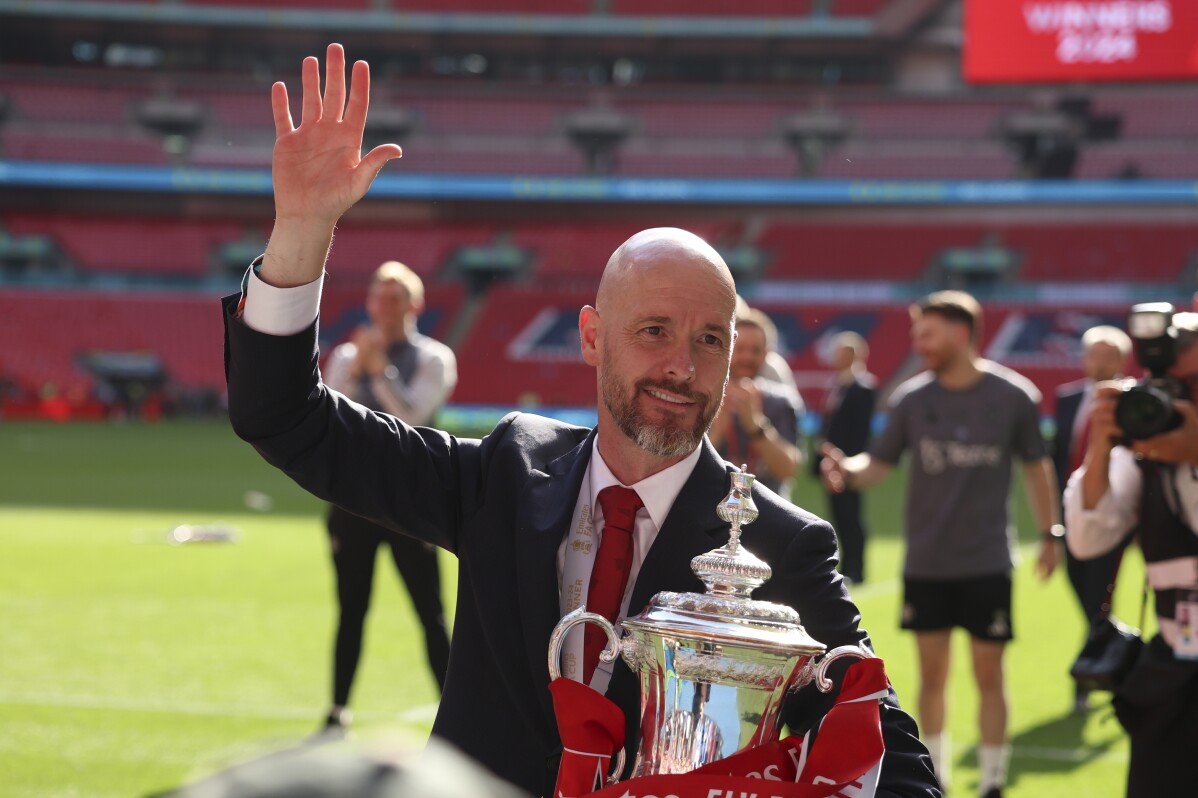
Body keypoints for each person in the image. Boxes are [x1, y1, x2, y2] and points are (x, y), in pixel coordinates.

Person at [223, 44, 939, 797]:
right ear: (593, 337)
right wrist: (301, 231)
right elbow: (284, 417)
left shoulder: (778, 545)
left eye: (709, 341)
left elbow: (899, 767)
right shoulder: (505, 472)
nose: (682, 368)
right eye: (654, 331)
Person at [821, 290, 1061, 798]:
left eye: (926, 334)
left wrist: (1050, 533)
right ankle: (939, 777)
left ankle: (993, 780)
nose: (918, 345)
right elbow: (877, 465)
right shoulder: (912, 398)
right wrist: (847, 469)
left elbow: (1037, 468)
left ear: (959, 333)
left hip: (987, 560)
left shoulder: (1013, 395)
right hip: (926, 562)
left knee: (989, 673)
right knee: (931, 676)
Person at [319, 260, 456, 734]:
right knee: (351, 609)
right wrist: (358, 371)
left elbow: (414, 418)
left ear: (415, 305)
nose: (385, 307)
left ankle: (458, 714)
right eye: (379, 298)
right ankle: (337, 711)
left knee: (431, 613)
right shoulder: (343, 357)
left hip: (409, 504)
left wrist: (379, 374)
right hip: (352, 502)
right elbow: (328, 420)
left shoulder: (435, 357)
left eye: (396, 299)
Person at [1064, 312, 1198, 798]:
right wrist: (1102, 447)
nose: (1177, 399)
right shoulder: (1146, 454)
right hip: (1172, 671)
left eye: (1192, 385)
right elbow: (1087, 537)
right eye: (1167, 385)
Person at [1052, 324, 1133, 712]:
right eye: (1093, 354)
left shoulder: (1134, 402)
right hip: (1070, 515)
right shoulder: (1067, 399)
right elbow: (1057, 459)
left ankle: (1087, 679)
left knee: (1098, 598)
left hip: (1111, 519)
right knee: (1085, 594)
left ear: (1121, 359)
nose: (1099, 362)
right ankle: (1120, 660)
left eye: (1107, 355)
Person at [707, 307, 803, 497]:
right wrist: (717, 430)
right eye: (740, 349)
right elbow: (685, 468)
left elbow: (788, 470)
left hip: (771, 514)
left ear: (766, 355)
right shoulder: (705, 398)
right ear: (727, 350)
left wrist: (756, 425)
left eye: (755, 350)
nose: (747, 357)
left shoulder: (781, 401)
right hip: (714, 512)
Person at [814, 331, 877, 585]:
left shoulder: (862, 387)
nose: (835, 358)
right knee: (839, 515)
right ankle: (846, 565)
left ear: (853, 355)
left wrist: (848, 462)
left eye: (841, 352)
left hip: (849, 464)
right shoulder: (838, 385)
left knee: (851, 515)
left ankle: (856, 569)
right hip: (831, 462)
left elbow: (860, 431)